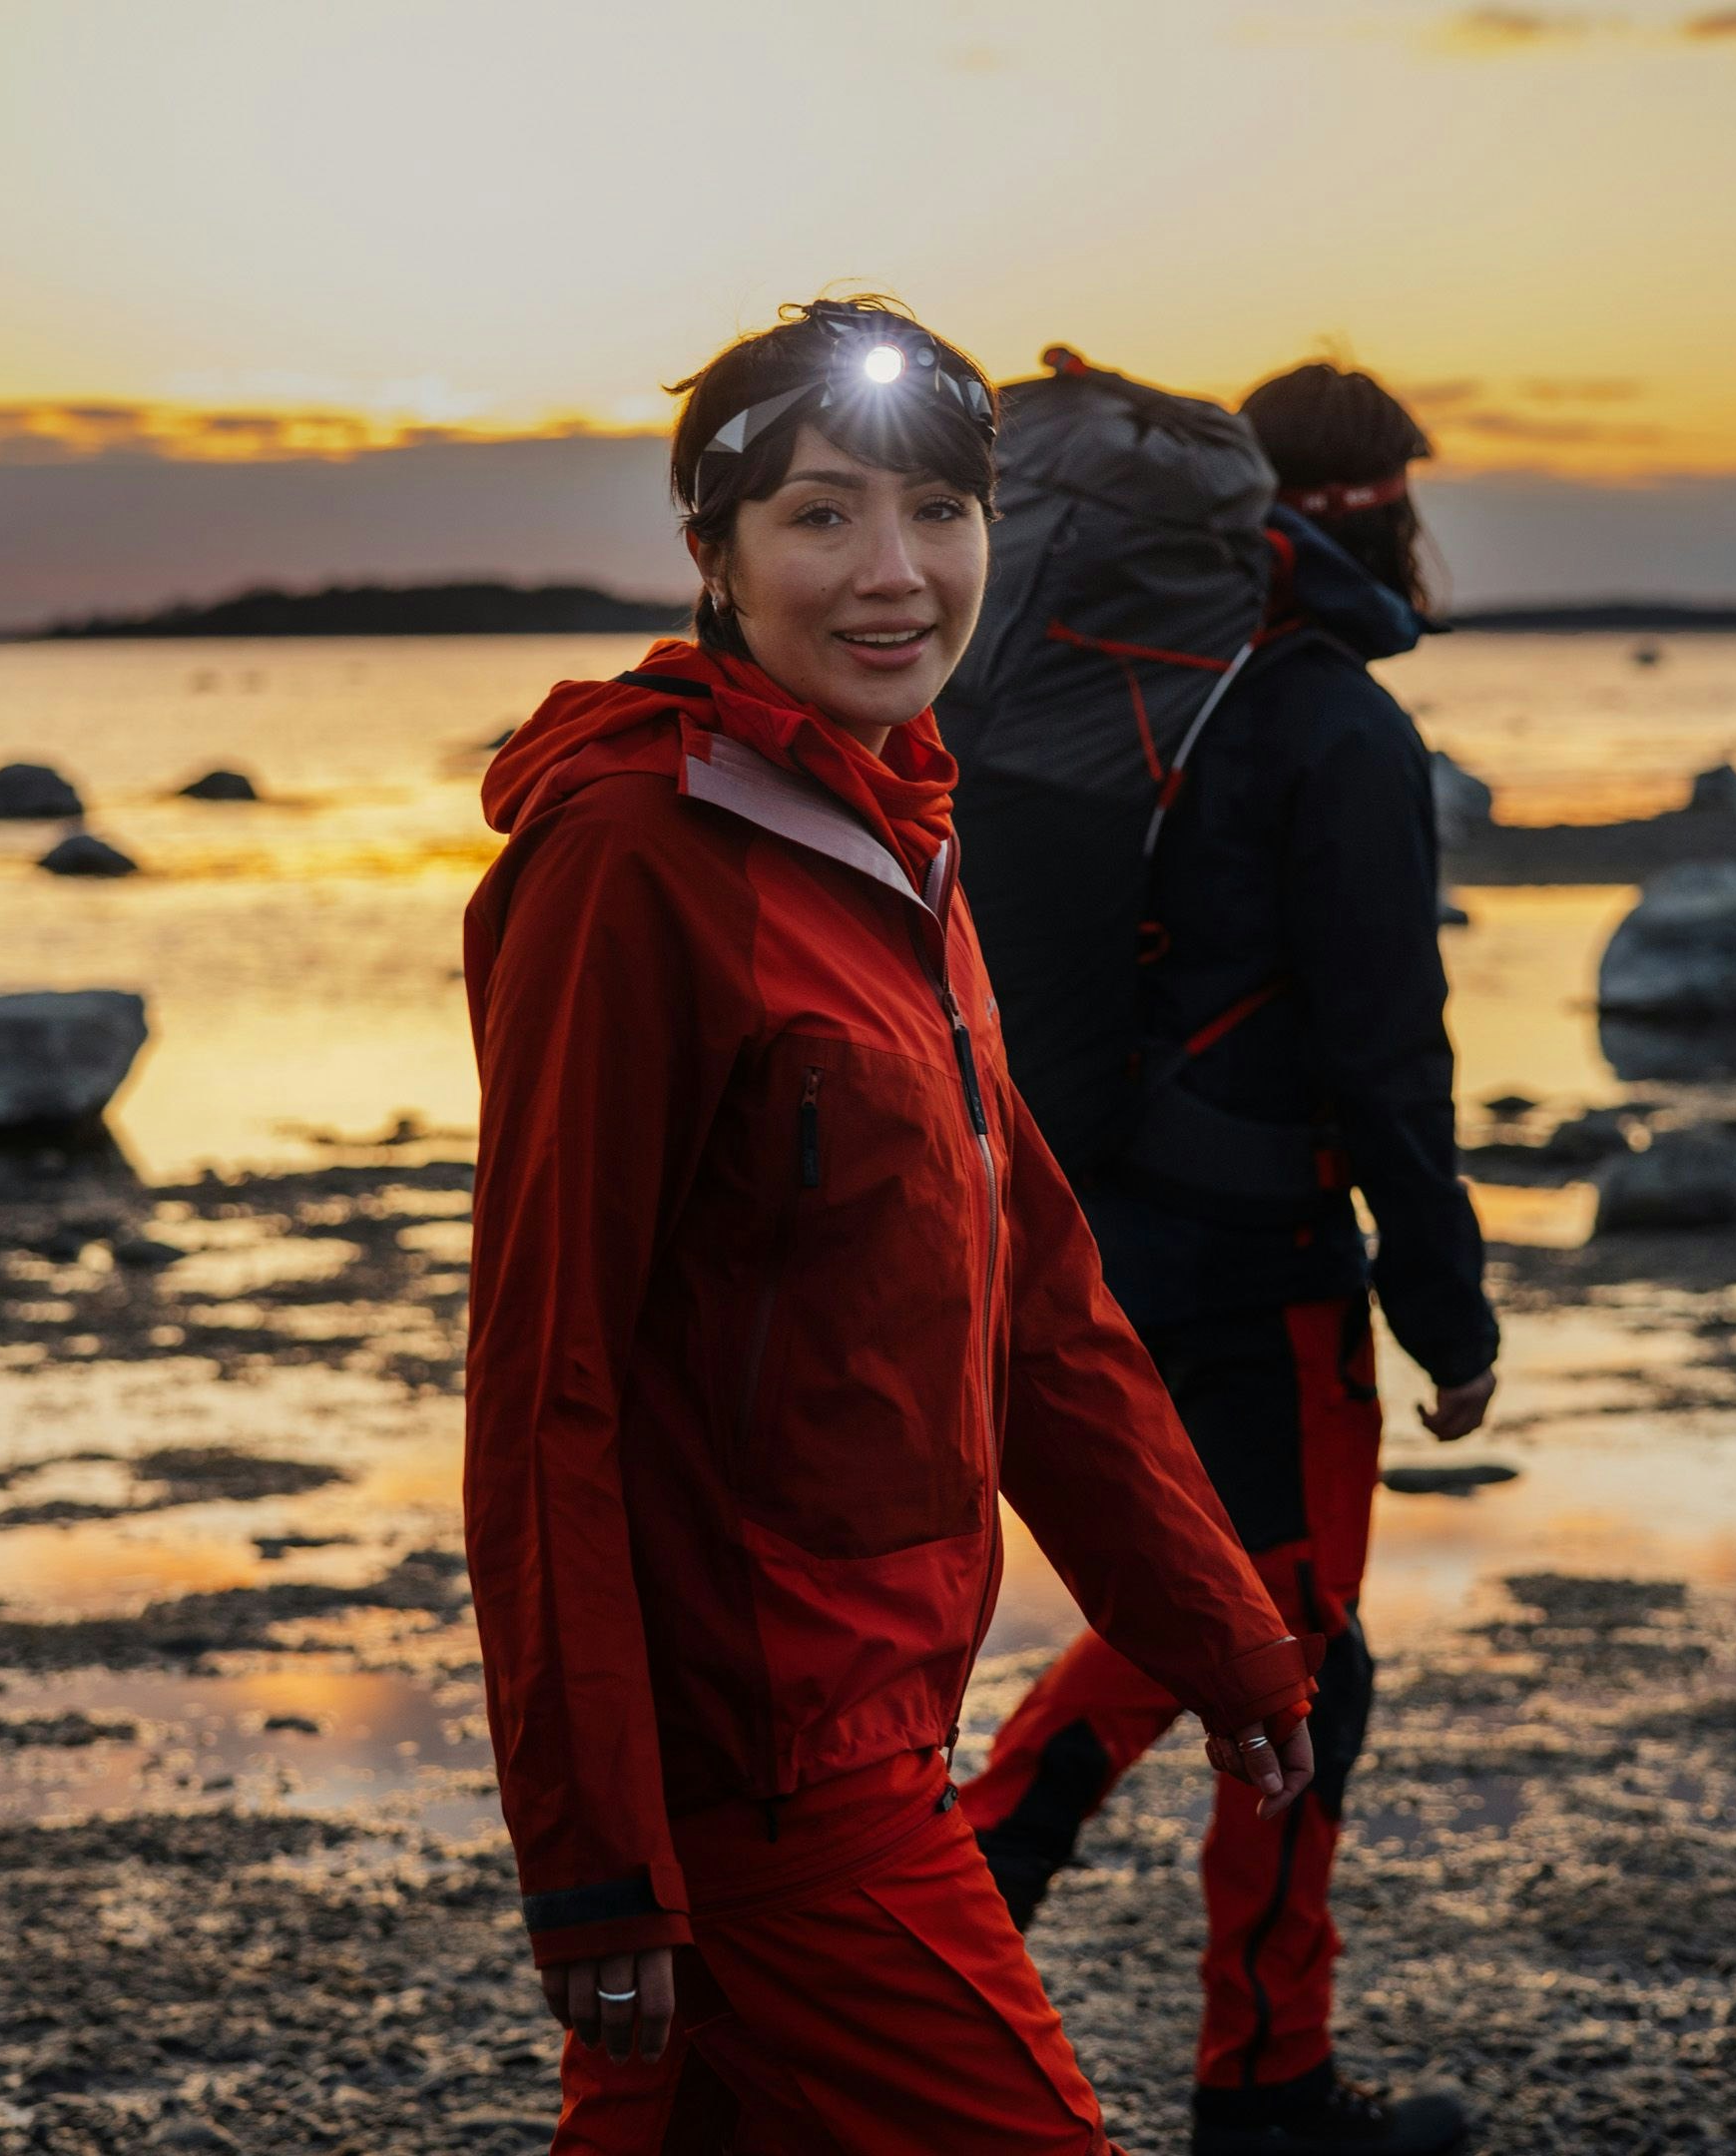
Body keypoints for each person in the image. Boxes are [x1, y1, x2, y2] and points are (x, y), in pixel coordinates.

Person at [462, 297, 1328, 2156]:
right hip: (763, 1776)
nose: (896, 574)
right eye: (822, 515)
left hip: (871, 1712)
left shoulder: (895, 838)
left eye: (941, 512)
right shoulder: (633, 863)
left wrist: (1224, 1633)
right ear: (713, 552)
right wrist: (597, 1853)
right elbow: (549, 1388)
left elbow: (1041, 1312)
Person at [955, 362, 1496, 2156]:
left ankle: (993, 1929)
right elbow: (1386, 1048)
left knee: (1242, 1628)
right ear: (1369, 507)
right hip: (1259, 1263)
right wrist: (1447, 1302)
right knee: (1289, 1646)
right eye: (1411, 491)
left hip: (1107, 1227)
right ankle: (1249, 2078)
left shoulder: (1152, 694)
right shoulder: (1331, 724)